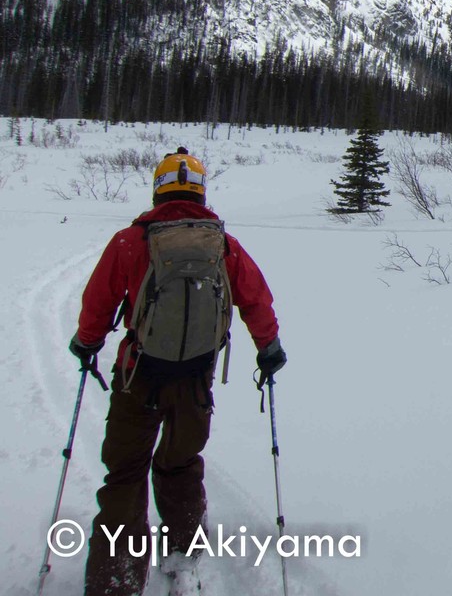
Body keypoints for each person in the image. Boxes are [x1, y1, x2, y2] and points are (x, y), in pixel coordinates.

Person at [68, 148, 286, 596]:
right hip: (195, 379)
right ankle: (183, 555)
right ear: (201, 192)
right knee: (180, 463)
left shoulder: (131, 241)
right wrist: (269, 347)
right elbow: (255, 298)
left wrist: (87, 342)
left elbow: (98, 303)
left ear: (158, 190)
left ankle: (117, 579)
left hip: (138, 376)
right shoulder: (223, 243)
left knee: (126, 472)